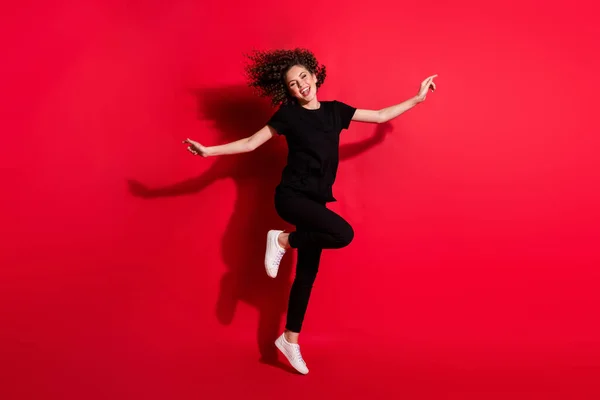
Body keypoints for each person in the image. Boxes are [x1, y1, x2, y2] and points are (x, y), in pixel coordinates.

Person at [183, 48, 437, 374]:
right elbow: (250, 142)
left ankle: (289, 339)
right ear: (287, 91)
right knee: (343, 233)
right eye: (292, 84)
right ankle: (283, 241)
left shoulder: (335, 112)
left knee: (306, 275)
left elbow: (379, 115)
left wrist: (416, 99)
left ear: (315, 76)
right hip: (291, 198)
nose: (300, 84)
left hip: (315, 204)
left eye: (303, 77)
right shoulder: (288, 115)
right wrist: (208, 152)